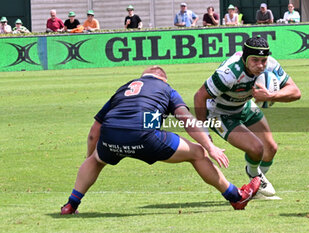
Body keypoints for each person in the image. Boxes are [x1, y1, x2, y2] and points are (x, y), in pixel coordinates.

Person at [60, 65, 261, 215]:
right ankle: (236, 197)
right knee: (198, 153)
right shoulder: (167, 90)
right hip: (144, 135)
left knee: (96, 160)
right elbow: (185, 119)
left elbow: (94, 131)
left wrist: (90, 158)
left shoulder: (123, 89)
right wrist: (210, 146)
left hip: (111, 134)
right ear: (163, 80)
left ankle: (71, 205)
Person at [194, 37, 301, 199]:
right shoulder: (229, 73)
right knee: (256, 148)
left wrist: (272, 95)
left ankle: (255, 184)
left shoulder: (271, 65)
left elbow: (295, 92)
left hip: (243, 105)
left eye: (263, 60)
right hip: (219, 114)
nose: (260, 65)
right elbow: (200, 96)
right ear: (245, 58)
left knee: (271, 148)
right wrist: (203, 132)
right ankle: (255, 179)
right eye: (255, 60)